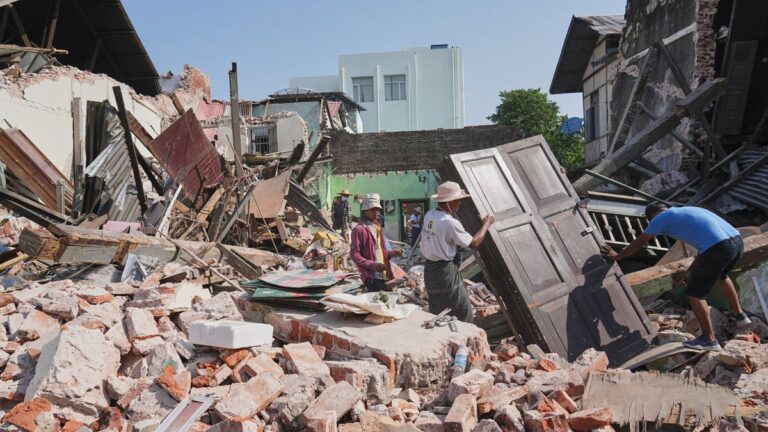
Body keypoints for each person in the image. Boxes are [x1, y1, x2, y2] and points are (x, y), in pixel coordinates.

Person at [601, 202, 751, 352]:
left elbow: (640, 241)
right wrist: (690, 270)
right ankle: (740, 315)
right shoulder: (689, 210)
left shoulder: (661, 217)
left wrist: (618, 256)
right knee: (721, 276)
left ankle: (709, 340)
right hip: (736, 243)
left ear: (652, 216)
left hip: (718, 249)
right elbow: (706, 245)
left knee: (694, 295)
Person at [421, 181, 494, 323]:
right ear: (450, 202)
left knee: (438, 310)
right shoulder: (449, 222)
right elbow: (474, 243)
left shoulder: (430, 215)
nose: (459, 205)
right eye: (458, 201)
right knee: (463, 310)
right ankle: (463, 343)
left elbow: (444, 239)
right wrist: (487, 224)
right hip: (444, 273)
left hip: (430, 270)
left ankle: (442, 339)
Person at [350, 193, 402, 292]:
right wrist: (372, 265)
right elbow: (354, 254)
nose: (376, 212)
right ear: (365, 211)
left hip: (384, 273)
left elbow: (379, 251)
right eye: (373, 209)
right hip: (372, 277)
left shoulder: (376, 227)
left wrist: (392, 253)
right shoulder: (359, 230)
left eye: (378, 209)